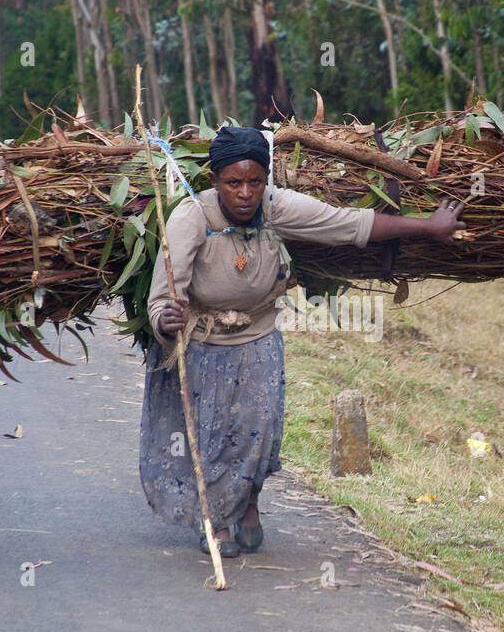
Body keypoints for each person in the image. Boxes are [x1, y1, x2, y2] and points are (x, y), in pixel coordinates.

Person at [140, 125, 466, 557]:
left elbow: (350, 225)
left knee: (260, 431)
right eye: (233, 183)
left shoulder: (275, 208)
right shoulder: (190, 218)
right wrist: (167, 319)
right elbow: (162, 297)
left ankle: (248, 504)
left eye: (254, 181)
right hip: (204, 342)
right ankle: (215, 525)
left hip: (258, 336)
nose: (245, 193)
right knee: (211, 437)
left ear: (265, 180)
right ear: (215, 181)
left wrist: (428, 227)